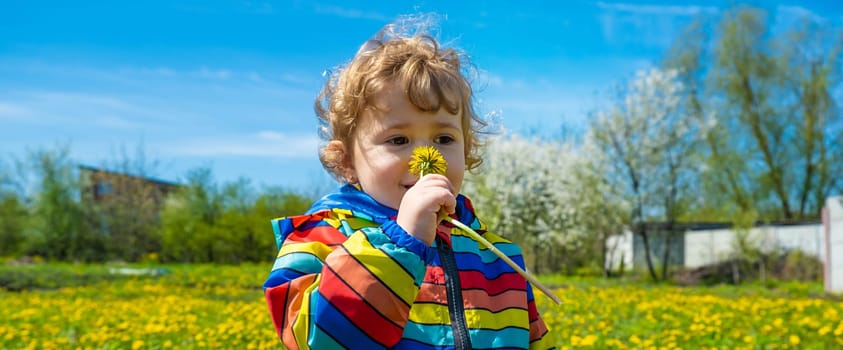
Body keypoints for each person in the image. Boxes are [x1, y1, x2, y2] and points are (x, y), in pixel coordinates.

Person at [263, 15, 554, 350]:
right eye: (399, 140)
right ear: (347, 161)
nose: (428, 153)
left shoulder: (497, 257)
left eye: (444, 138)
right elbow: (319, 340)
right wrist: (403, 242)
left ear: (467, 149)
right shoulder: (319, 238)